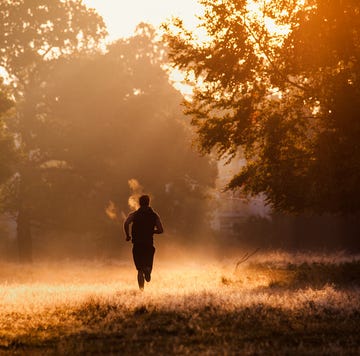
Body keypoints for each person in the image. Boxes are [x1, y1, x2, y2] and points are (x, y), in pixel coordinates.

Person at [124, 195, 164, 290]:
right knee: (147, 267)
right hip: (148, 245)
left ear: (139, 203)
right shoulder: (154, 215)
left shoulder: (134, 214)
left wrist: (127, 235)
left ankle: (141, 291)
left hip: (137, 245)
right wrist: (151, 231)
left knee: (139, 270)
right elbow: (161, 230)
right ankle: (148, 271)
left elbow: (126, 223)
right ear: (149, 202)